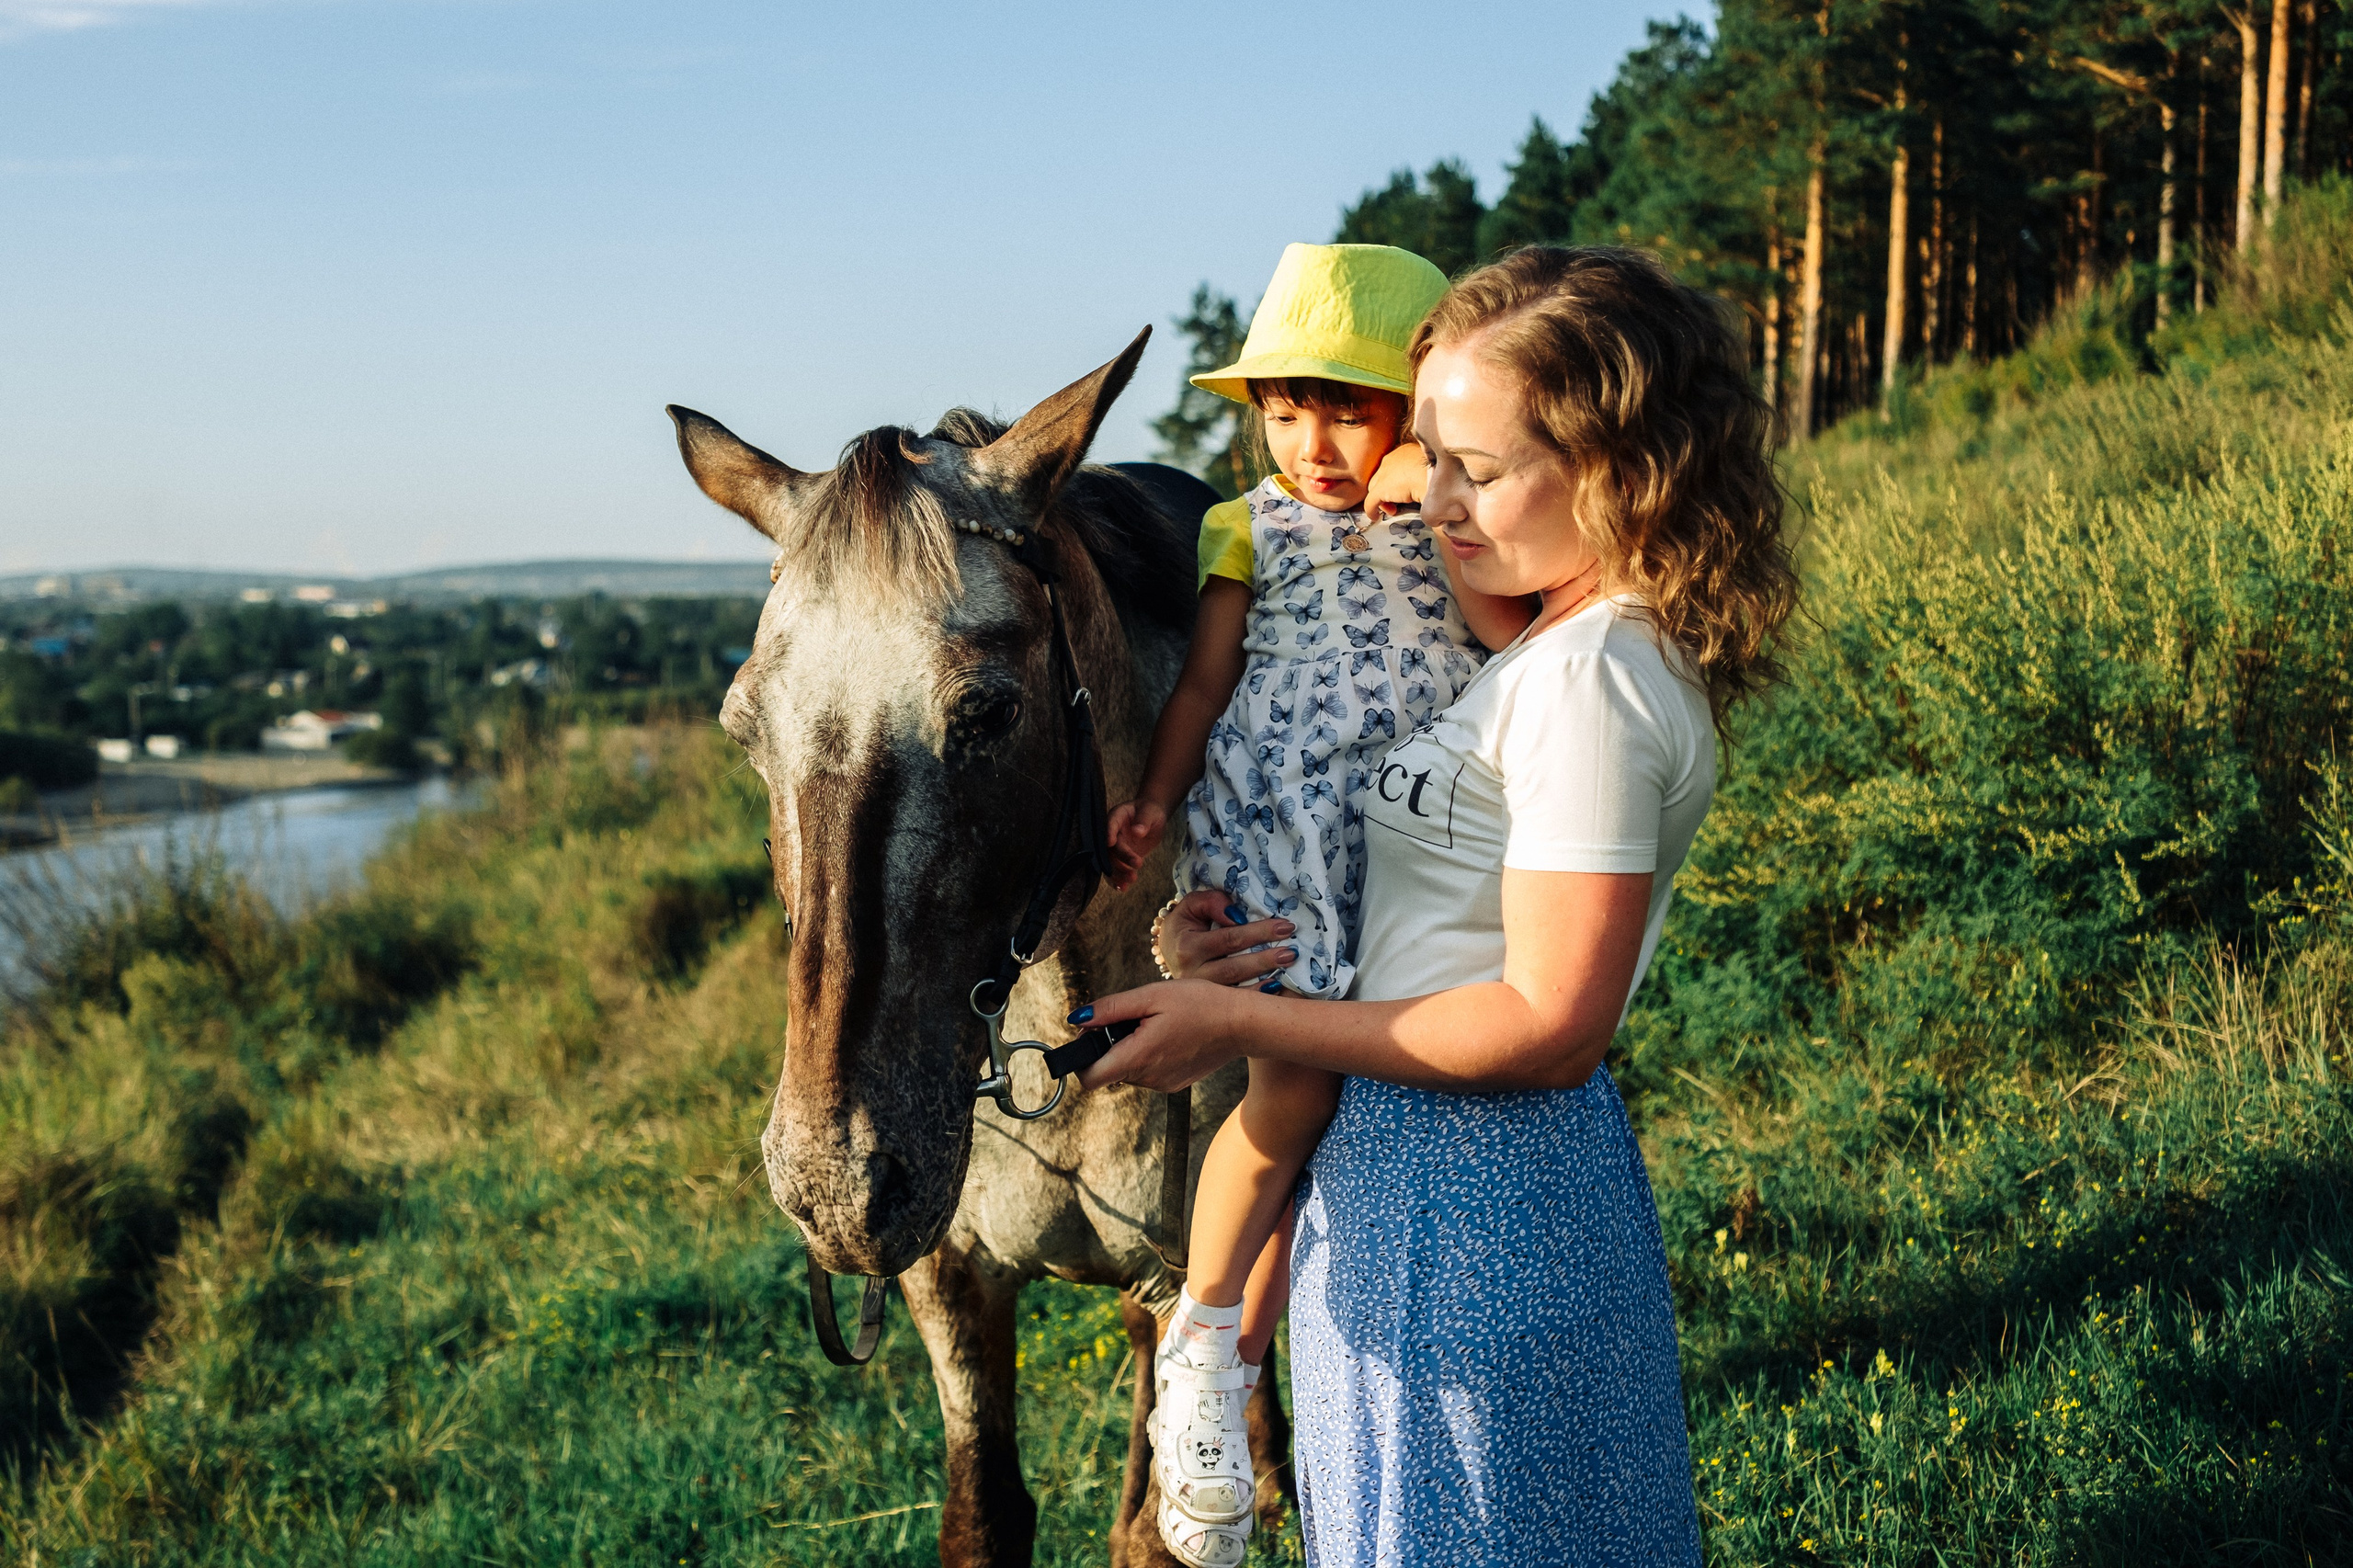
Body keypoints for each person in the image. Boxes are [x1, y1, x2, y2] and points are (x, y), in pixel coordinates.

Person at [1070, 245, 1799, 1566]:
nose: (1434, 497)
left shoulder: (1591, 677)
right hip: (1426, 1182)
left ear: (1618, 468)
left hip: (1475, 1205)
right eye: (1433, 458)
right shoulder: (1542, 646)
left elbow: (1550, 1021)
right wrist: (1226, 942)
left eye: (1472, 465)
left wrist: (1238, 1023)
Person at [1101, 241, 1534, 1566]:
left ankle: (1294, 1372)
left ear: (1420, 404)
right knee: (1290, 1100)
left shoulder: (1453, 516)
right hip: (1286, 833)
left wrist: (1439, 489)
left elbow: (1507, 632)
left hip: (1414, 852)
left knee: (1380, 1112)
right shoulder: (1245, 525)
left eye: (1350, 406)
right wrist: (1159, 803)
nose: (1315, 440)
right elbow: (1203, 686)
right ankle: (1206, 1340)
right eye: (1285, 408)